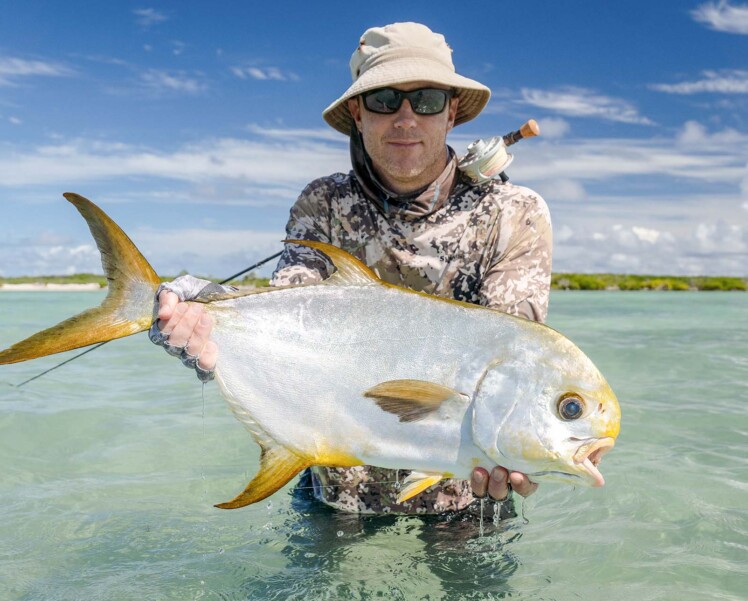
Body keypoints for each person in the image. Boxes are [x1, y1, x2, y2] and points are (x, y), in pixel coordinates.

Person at [152, 22, 551, 516]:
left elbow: (513, 356)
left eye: (425, 99)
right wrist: (200, 308)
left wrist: (524, 442)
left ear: (451, 113)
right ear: (359, 114)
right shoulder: (323, 202)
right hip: (335, 488)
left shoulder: (513, 212)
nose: (406, 119)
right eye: (385, 99)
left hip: (466, 488)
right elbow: (289, 316)